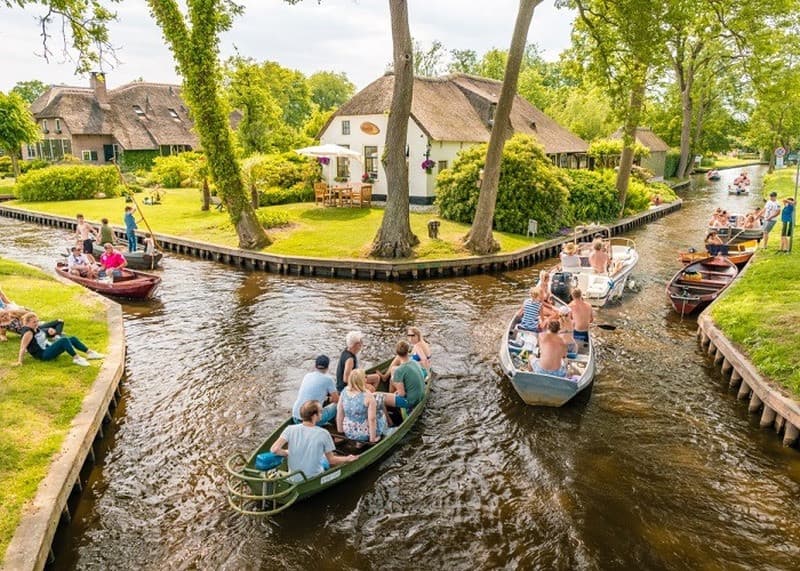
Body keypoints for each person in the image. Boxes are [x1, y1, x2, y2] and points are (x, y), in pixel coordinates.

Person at [270, 400, 356, 482]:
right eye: (320, 411)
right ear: (314, 416)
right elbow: (331, 460)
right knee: (330, 456)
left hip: (293, 478)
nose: (322, 413)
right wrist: (347, 458)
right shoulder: (323, 433)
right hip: (313, 477)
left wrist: (287, 452)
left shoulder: (289, 429)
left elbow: (274, 449)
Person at [14, 312, 104, 367]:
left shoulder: (36, 328)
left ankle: (90, 353)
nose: (37, 323)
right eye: (34, 322)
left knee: (72, 338)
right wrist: (19, 361)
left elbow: (41, 335)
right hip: (43, 355)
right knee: (63, 340)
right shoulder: (28, 333)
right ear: (27, 323)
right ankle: (76, 358)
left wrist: (49, 331)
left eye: (37, 321)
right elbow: (23, 347)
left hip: (48, 348)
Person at [337, 369, 396, 443]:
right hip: (364, 433)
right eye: (365, 377)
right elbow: (372, 419)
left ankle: (359, 443)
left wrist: (341, 431)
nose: (366, 379)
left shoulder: (344, 391)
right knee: (380, 408)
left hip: (348, 431)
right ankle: (388, 428)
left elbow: (340, 412)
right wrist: (372, 439)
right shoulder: (367, 395)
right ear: (362, 380)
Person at [291, 355, 339, 426]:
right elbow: (336, 400)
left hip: (295, 417)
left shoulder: (307, 376)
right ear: (328, 367)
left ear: (315, 366)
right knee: (337, 405)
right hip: (311, 421)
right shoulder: (328, 379)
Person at [388, 341, 425, 408]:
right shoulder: (414, 362)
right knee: (392, 379)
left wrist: (396, 393)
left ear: (397, 353)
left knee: (380, 397)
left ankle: (391, 408)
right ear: (408, 351)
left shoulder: (399, 370)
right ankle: (392, 398)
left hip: (410, 401)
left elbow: (402, 394)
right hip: (421, 395)